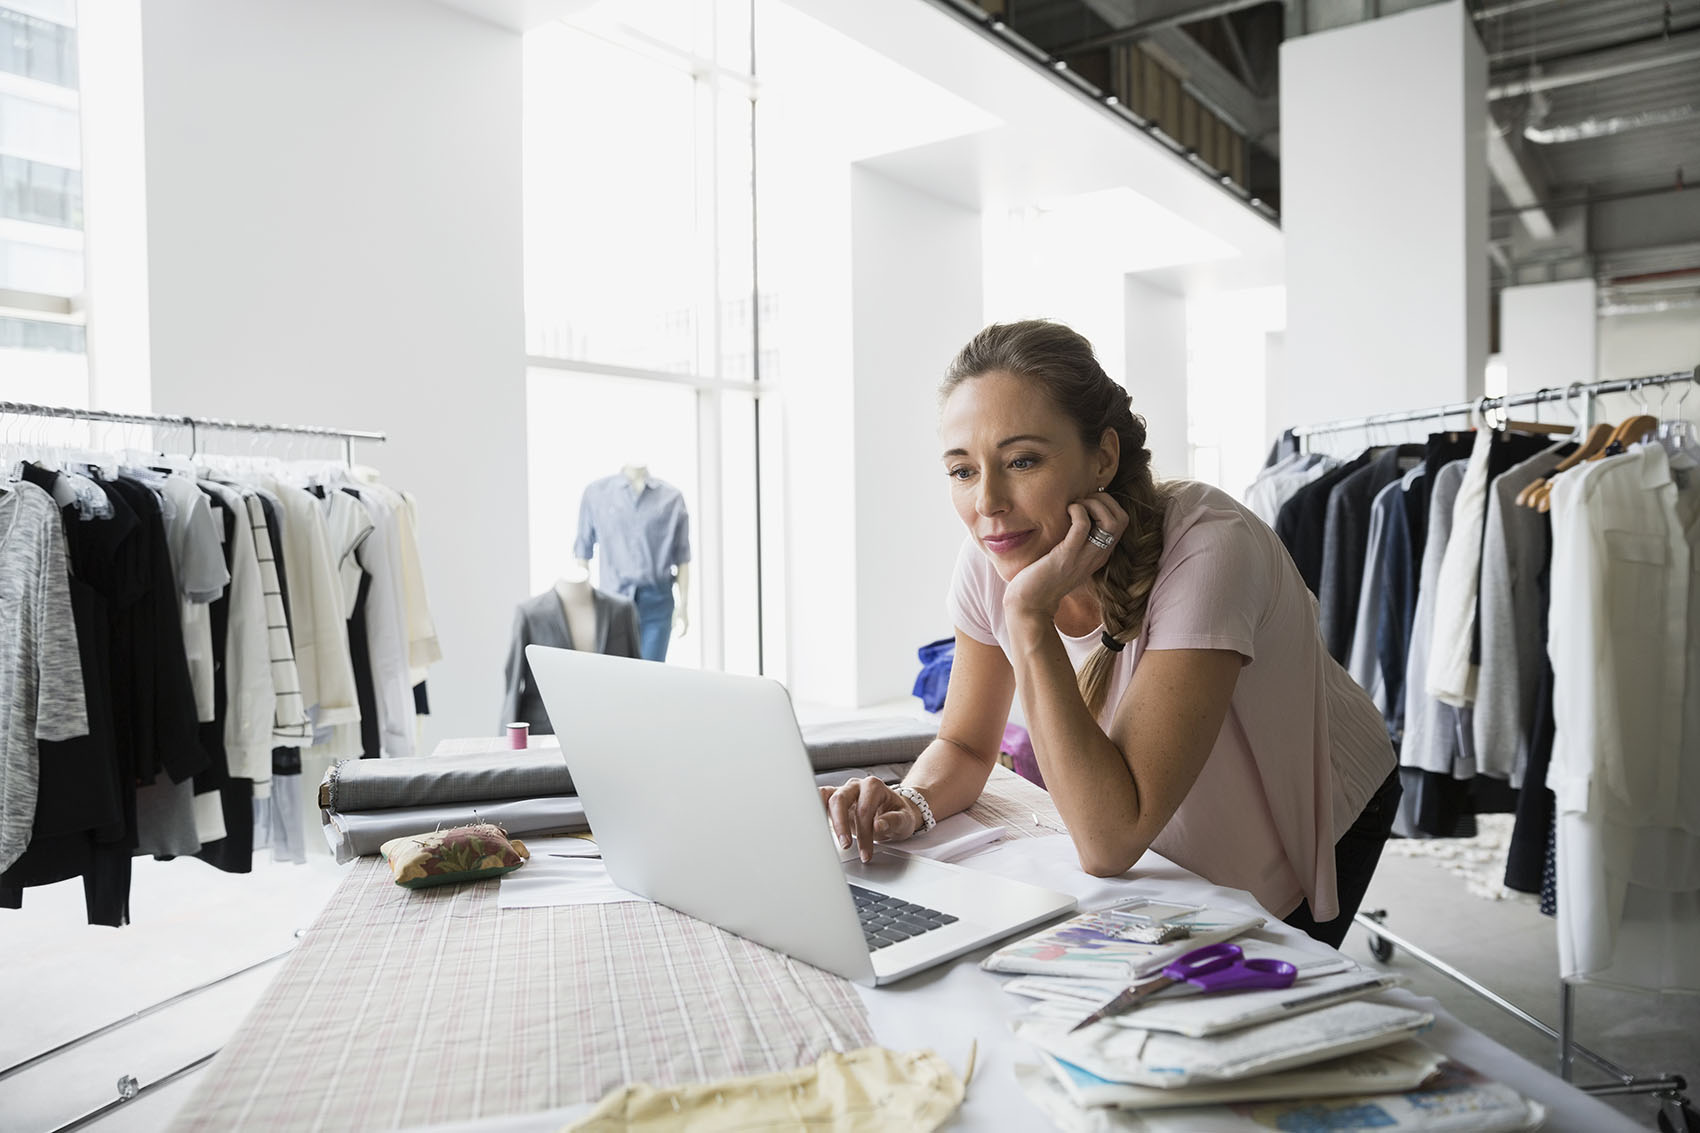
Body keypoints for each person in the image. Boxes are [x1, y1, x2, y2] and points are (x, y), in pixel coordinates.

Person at [820, 320, 1398, 947]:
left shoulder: (1209, 548)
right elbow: (963, 745)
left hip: (1314, 797)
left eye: (1021, 461)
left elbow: (1109, 841)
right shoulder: (988, 558)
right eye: (962, 471)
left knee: (1256, 995)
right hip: (1164, 805)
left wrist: (1028, 616)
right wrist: (915, 801)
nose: (987, 502)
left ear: (1103, 456)